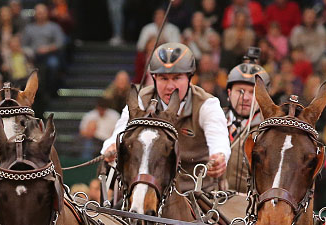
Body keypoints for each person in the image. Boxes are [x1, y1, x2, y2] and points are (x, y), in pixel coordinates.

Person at [102, 42, 230, 193]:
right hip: (150, 190)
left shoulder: (207, 104)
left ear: (190, 77)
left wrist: (219, 157)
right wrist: (110, 148)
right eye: (163, 78)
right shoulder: (142, 100)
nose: (170, 86)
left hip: (197, 192)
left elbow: (219, 141)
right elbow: (120, 131)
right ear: (154, 78)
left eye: (177, 78)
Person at [223, 49, 270, 192]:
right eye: (240, 91)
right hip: (206, 203)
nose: (246, 98)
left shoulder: (267, 131)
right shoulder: (213, 120)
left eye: (253, 92)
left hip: (246, 207)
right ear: (229, 93)